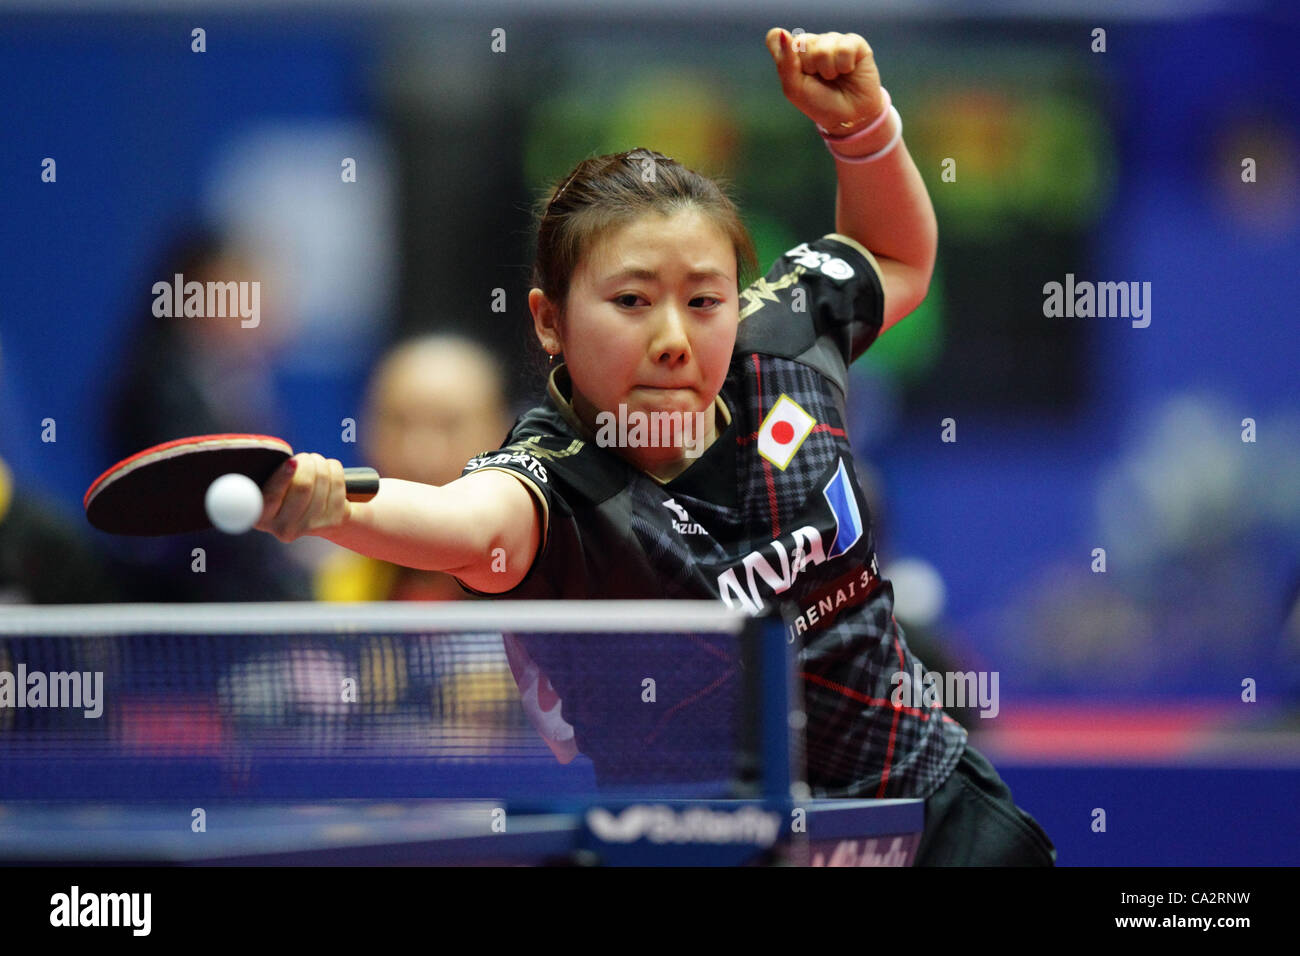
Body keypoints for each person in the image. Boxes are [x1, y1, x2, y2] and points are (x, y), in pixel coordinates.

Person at [254, 28, 1055, 865]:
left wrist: (863, 130)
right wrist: (330, 501)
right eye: (632, 301)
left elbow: (896, 257)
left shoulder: (779, 347)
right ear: (550, 321)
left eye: (703, 300)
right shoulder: (559, 482)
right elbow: (470, 523)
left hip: (933, 822)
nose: (675, 338)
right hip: (716, 849)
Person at [313, 334, 512, 601]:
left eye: (449, 425)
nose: (420, 456)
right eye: (399, 422)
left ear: (503, 435)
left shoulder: (544, 585)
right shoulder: (337, 586)